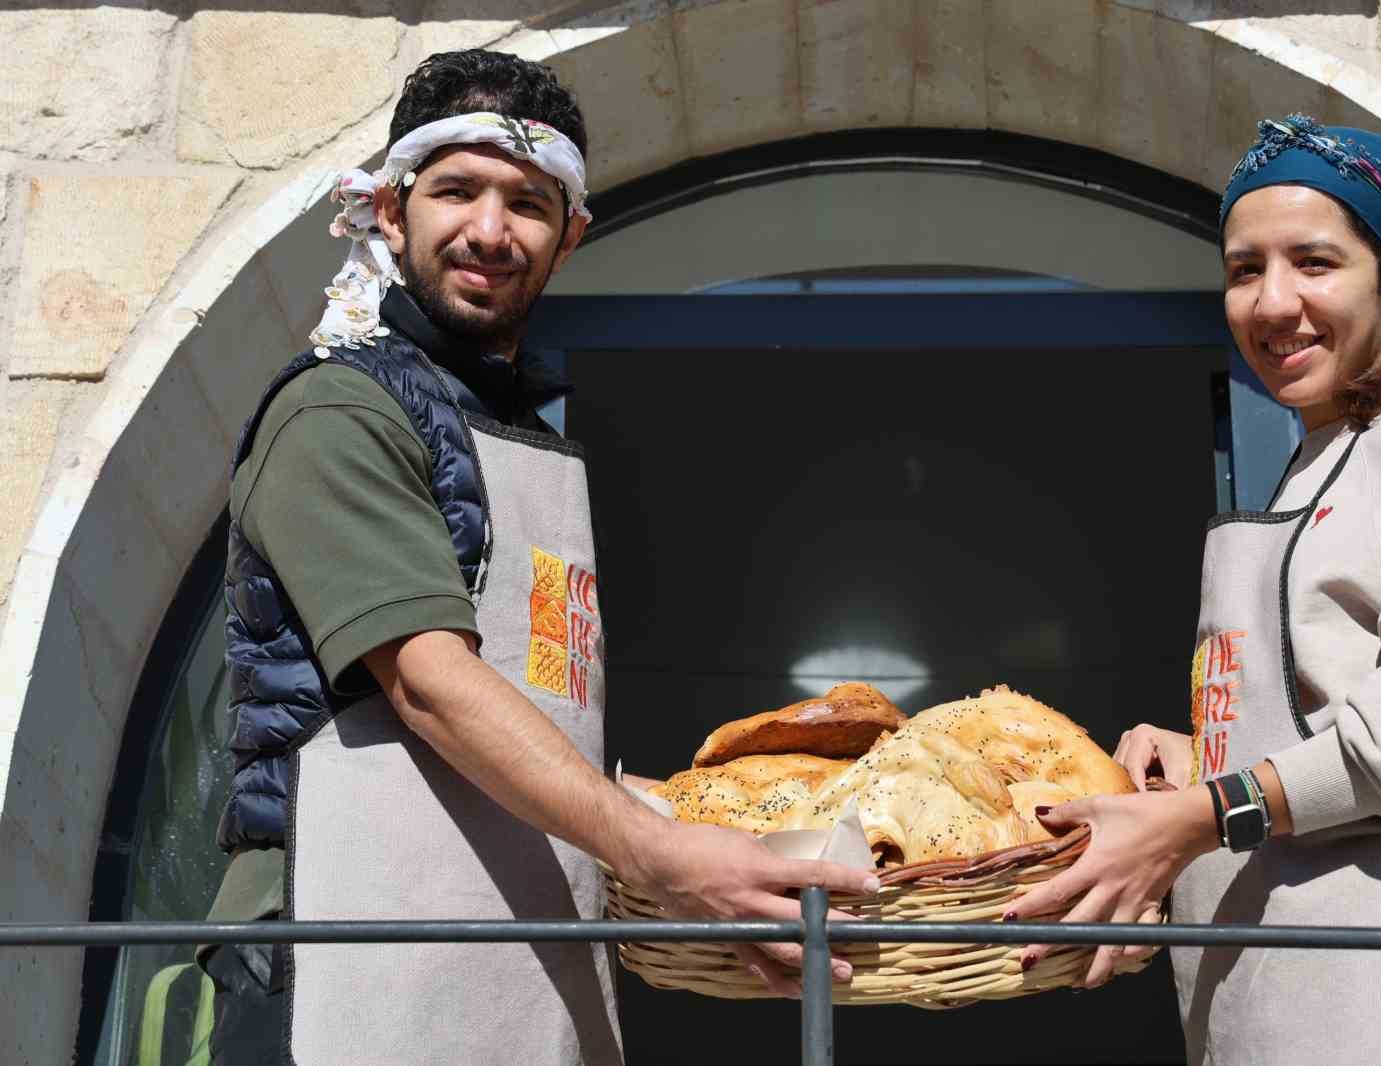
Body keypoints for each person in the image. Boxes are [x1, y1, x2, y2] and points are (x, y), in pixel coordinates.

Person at [198, 49, 877, 1066]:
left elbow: (541, 714)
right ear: (390, 213)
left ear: (570, 236)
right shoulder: (337, 411)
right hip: (340, 947)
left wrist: (719, 849)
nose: (488, 229)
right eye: (455, 191)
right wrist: (661, 853)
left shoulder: (519, 436)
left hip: (520, 949)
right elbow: (429, 685)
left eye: (526, 201)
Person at [1009, 115, 1381, 1064]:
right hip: (1287, 994)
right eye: (1245, 270)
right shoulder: (1308, 471)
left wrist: (1201, 815)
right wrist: (1206, 753)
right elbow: (1322, 739)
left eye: (1315, 263)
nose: (1274, 302)